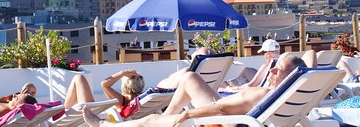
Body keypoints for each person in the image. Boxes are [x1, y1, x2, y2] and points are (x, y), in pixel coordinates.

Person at [81, 55, 307, 126]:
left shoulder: (262, 94)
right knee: (189, 77)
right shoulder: (287, 93)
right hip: (235, 117)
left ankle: (102, 125)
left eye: (279, 69)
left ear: (290, 76)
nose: (273, 69)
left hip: (224, 122)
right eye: (274, 65)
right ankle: (167, 119)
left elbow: (218, 107)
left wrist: (187, 115)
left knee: (150, 119)